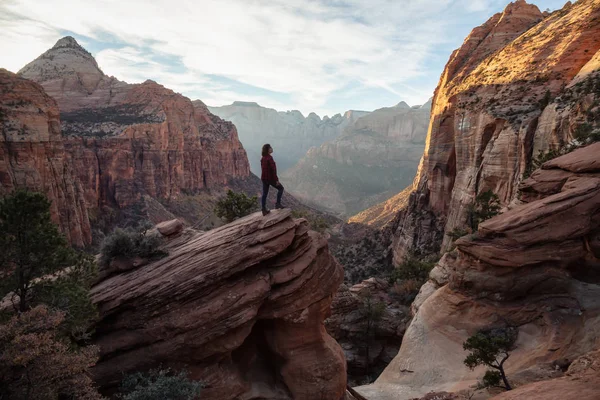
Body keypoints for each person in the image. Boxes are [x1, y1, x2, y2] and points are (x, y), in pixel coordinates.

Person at [260, 143, 285, 216]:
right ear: (267, 150)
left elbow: (263, 169)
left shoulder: (263, 158)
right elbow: (273, 170)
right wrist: (276, 180)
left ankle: (263, 209)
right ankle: (278, 204)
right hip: (270, 178)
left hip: (264, 178)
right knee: (281, 188)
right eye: (270, 147)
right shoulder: (269, 158)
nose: (271, 148)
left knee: (264, 194)